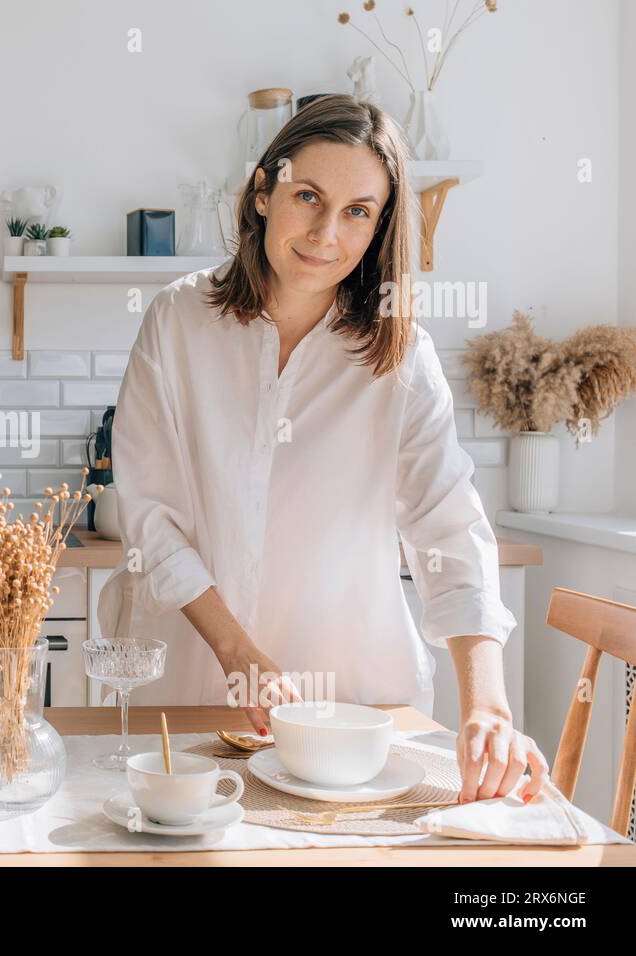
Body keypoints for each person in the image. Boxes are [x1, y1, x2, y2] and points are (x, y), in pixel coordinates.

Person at [98, 94, 549, 804]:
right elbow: (152, 517)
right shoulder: (178, 322)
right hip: (197, 698)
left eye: (358, 211)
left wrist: (487, 704)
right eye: (307, 195)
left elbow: (448, 530)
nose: (325, 232)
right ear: (261, 191)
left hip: (361, 714)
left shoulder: (400, 356)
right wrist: (239, 656)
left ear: (381, 226)